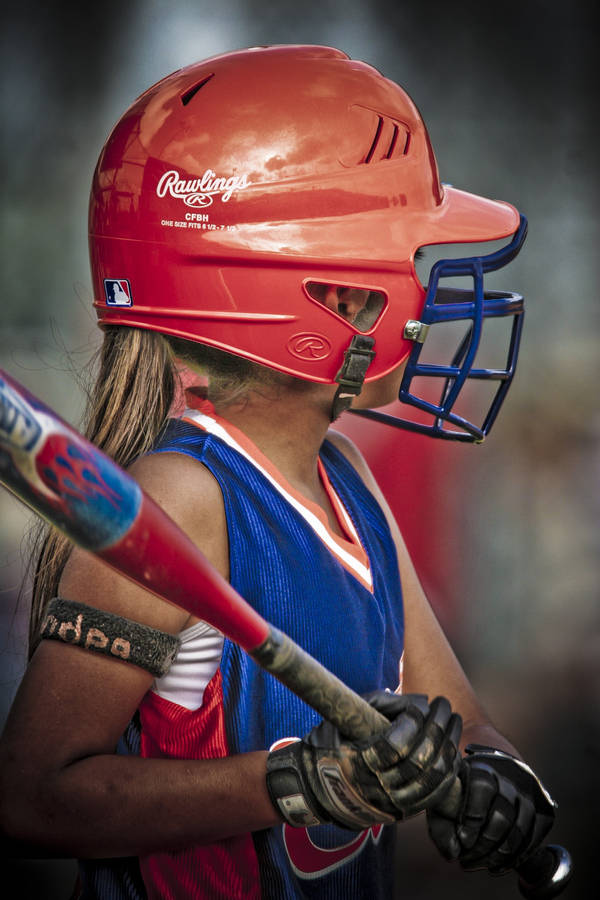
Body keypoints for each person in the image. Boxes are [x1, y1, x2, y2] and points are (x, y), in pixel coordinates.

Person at [0, 45, 557, 899]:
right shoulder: (185, 499)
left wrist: (489, 775)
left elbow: (461, 715)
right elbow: (34, 795)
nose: (433, 302)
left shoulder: (347, 483)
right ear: (323, 300)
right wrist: (299, 781)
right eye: (409, 264)